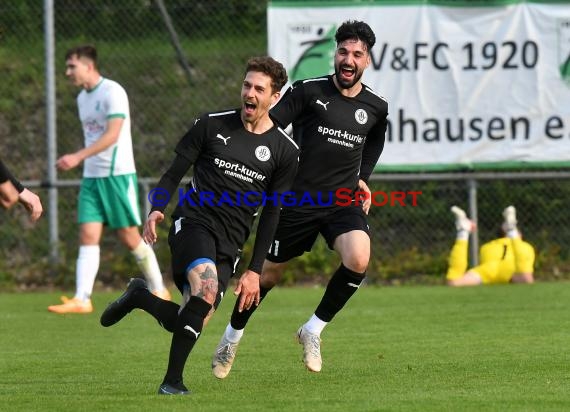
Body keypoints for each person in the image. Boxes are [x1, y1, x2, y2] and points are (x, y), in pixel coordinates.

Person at [99, 56, 299, 395]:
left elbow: (272, 213)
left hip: (230, 245)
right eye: (247, 85)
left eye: (259, 89)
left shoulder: (285, 150)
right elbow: (174, 171)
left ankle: (140, 297)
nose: (249, 93)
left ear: (274, 98)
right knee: (205, 291)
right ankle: (172, 383)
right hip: (193, 223)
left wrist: (253, 270)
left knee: (192, 318)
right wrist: (157, 207)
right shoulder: (211, 124)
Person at [212, 20, 389, 378]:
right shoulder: (309, 92)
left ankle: (312, 330)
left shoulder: (376, 106)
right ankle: (232, 336)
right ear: (334, 54)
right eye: (343, 51)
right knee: (267, 276)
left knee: (358, 257)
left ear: (367, 60)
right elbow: (268, 128)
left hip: (341, 201)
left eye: (357, 54)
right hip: (296, 200)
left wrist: (362, 177)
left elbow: (375, 139)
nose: (348, 59)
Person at [48, 45, 170, 315]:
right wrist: (83, 161)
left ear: (88, 66)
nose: (67, 72)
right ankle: (82, 298)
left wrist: (78, 156)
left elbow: (113, 135)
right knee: (88, 234)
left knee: (129, 237)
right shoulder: (82, 98)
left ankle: (159, 287)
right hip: (92, 178)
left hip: (117, 175)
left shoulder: (113, 92)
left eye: (72, 66)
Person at [446, 205, 535, 286]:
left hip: (488, 270)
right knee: (526, 279)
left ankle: (463, 232)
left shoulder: (486, 247)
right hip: (512, 270)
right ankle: (511, 230)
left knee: (454, 282)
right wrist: (515, 239)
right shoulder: (525, 246)